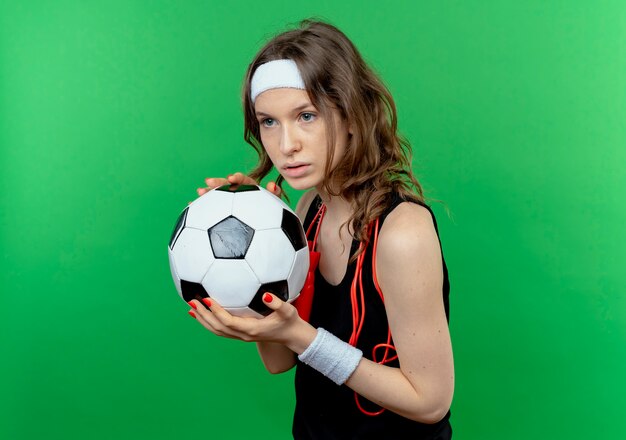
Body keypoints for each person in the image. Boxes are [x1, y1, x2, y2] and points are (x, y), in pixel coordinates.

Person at [189, 19, 454, 439]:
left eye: (306, 115)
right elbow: (279, 361)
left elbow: (430, 401)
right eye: (269, 122)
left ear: (352, 115)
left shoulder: (403, 232)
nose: (285, 143)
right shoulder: (309, 208)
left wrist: (303, 336)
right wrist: (252, 252)